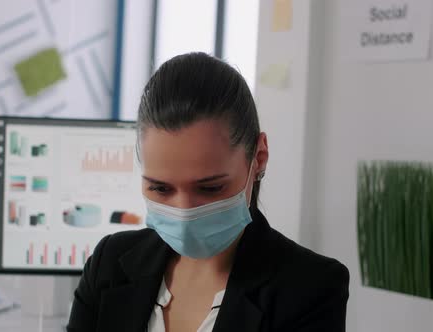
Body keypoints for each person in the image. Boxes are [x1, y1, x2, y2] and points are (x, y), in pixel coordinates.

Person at [67, 52, 349, 332]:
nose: (184, 210)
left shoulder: (311, 288)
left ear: (259, 157)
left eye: (210, 188)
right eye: (161, 188)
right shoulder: (109, 263)